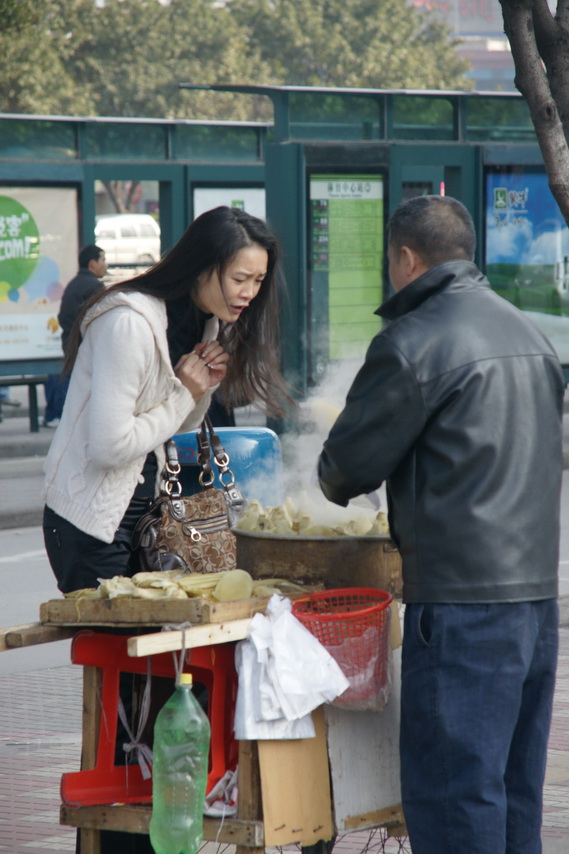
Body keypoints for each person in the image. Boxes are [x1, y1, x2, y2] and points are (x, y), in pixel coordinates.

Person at [317, 195, 564, 854]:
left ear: (405, 257)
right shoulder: (530, 333)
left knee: (454, 795)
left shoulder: (412, 340)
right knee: (512, 790)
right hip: (535, 602)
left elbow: (344, 469)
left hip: (459, 608)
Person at [42, 206, 291, 854]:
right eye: (240, 277)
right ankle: (114, 839)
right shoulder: (129, 322)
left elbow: (174, 418)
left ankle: (141, 835)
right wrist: (185, 390)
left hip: (138, 511)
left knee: (150, 695)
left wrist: (198, 386)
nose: (248, 292)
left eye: (257, 281)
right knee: (126, 695)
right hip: (89, 524)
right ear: (203, 267)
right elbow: (109, 445)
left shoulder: (200, 319)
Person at [43, 244, 107, 427]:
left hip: (71, 345)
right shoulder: (94, 286)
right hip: (85, 347)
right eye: (103, 259)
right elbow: (101, 321)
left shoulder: (75, 283)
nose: (106, 264)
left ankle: (57, 415)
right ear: (92, 263)